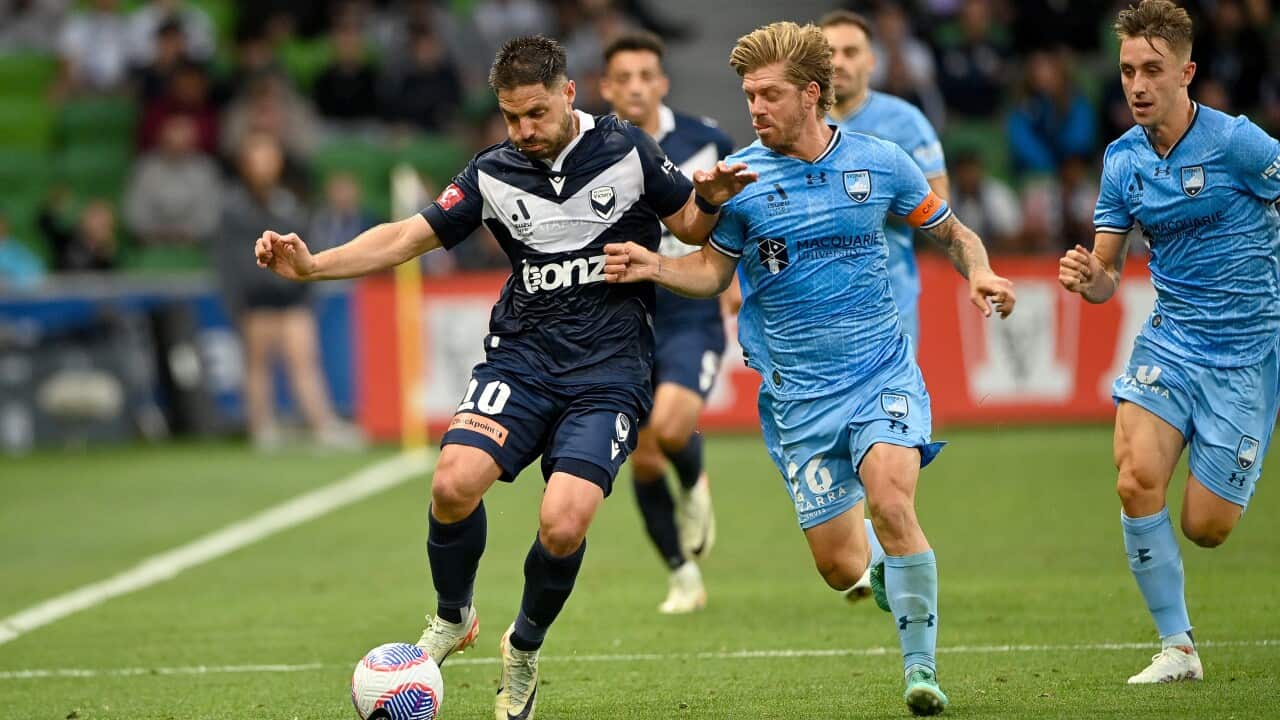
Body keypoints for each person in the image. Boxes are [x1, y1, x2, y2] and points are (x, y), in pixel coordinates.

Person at [254, 35, 751, 720]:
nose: (523, 130)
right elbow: (407, 236)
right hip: (522, 360)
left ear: (568, 93)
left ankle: (523, 647)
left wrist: (712, 201)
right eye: (511, 117)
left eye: (536, 114)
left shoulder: (628, 150)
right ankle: (453, 615)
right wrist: (314, 266)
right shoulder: (493, 170)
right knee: (453, 483)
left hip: (609, 371)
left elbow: (692, 228)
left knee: (563, 523)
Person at [603, 21, 1015, 716]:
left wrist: (979, 271)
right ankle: (880, 565)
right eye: (748, 96)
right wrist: (654, 266)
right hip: (799, 397)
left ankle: (920, 670)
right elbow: (711, 272)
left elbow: (950, 230)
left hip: (881, 372)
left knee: (892, 502)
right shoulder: (742, 179)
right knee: (839, 566)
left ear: (811, 94)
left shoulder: (881, 161)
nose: (755, 108)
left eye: (768, 95)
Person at [1058, 0, 1280, 685]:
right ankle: (1177, 647)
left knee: (1206, 527)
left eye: (1152, 70)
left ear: (1187, 73)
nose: (1137, 85)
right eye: (1128, 70)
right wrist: (1089, 278)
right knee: (1134, 479)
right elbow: (1107, 276)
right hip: (1171, 344)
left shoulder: (1239, 144)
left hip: (1246, 354)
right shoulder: (1122, 161)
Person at [599, 31, 734, 615]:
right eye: (623, 78)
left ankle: (695, 481)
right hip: (622, 318)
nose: (635, 87)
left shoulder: (707, 140)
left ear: (663, 82)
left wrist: (736, 282)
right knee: (646, 455)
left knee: (674, 429)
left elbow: (738, 219)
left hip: (689, 309)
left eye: (645, 76)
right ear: (606, 88)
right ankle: (682, 574)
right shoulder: (591, 149)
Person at [217, 133, 361, 452]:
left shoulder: (289, 205)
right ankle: (261, 427)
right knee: (258, 367)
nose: (264, 166)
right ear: (245, 164)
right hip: (255, 302)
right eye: (257, 158)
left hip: (293, 299)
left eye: (269, 158)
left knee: (305, 362)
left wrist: (305, 292)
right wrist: (238, 303)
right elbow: (228, 262)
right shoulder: (233, 210)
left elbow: (304, 251)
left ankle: (321, 424)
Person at [822, 12, 947, 355]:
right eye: (830, 53)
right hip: (815, 306)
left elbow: (939, 204)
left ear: (871, 61)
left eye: (850, 52)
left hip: (889, 301)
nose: (839, 62)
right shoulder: (797, 125)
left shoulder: (906, 122)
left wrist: (868, 203)